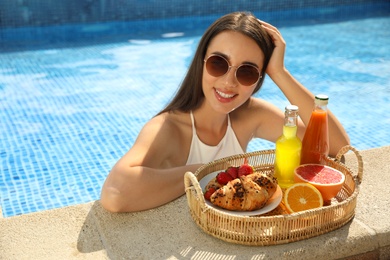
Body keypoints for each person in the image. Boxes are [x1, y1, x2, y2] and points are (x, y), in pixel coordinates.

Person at [100, 12, 350, 213]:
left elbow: (336, 148)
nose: (229, 83)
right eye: (218, 63)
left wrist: (279, 73)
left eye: (247, 71)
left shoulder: (250, 115)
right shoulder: (168, 127)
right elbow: (115, 194)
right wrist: (211, 170)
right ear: (201, 61)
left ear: (259, 79)